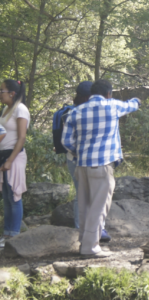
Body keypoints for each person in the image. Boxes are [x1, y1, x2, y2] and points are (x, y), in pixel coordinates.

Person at [62, 79, 140, 257]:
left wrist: (80, 152)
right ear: (109, 94)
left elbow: (66, 141)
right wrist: (137, 100)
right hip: (102, 165)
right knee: (99, 207)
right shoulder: (112, 106)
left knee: (84, 205)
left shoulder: (75, 112)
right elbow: (131, 105)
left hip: (81, 166)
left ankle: (84, 241)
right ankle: (90, 248)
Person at [52, 82, 111, 241]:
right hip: (84, 159)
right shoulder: (80, 113)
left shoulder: (73, 112)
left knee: (84, 193)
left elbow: (66, 142)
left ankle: (88, 229)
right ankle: (91, 230)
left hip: (75, 159)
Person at [0, 80, 29, 248]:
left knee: (14, 195)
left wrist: (10, 160)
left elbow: (22, 137)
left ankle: (15, 236)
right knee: (6, 197)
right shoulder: (5, 110)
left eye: (1, 90)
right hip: (3, 156)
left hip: (15, 157)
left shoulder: (21, 109)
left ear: (12, 93)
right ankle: (6, 235)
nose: (0, 93)